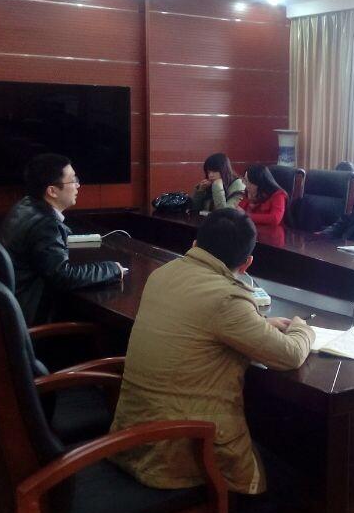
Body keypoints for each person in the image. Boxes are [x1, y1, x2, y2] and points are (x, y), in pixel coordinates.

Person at [112, 209, 313, 497]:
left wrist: (259, 324)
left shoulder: (162, 274)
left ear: (195, 244)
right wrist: (302, 328)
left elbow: (202, 321)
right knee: (292, 479)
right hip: (176, 450)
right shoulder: (228, 298)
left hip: (132, 436)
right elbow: (290, 355)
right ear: (246, 264)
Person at [0, 153, 124, 326]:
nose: (78, 185)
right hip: (37, 319)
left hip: (19, 309)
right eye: (73, 180)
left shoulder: (24, 206)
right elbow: (63, 277)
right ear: (52, 191)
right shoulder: (45, 225)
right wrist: (111, 269)